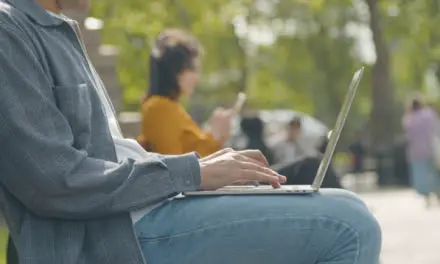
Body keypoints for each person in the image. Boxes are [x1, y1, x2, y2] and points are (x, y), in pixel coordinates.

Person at [0, 1, 381, 264]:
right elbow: (54, 181)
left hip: (145, 210)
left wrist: (205, 163)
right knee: (348, 225)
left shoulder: (58, 31)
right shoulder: (9, 30)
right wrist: (193, 170)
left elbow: (114, 158)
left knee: (347, 205)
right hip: (112, 235)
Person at [137, 29, 232, 157]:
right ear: (175, 69)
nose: (196, 77)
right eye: (192, 69)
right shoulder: (159, 107)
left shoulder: (172, 107)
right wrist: (213, 135)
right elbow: (175, 167)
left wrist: (217, 136)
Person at [403, 97, 440, 208]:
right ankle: (438, 192)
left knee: (421, 175)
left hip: (416, 152)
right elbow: (437, 129)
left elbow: (408, 136)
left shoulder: (409, 119)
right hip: (431, 149)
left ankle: (427, 197)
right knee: (434, 173)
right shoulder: (429, 115)